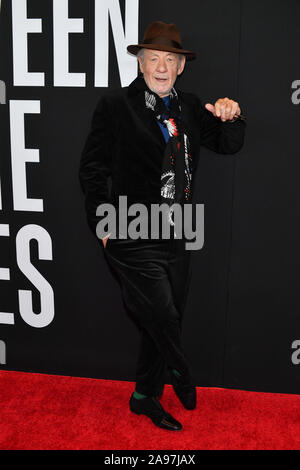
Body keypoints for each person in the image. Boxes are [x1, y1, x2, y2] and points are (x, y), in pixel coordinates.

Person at [79, 21, 246, 431]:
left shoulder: (190, 106)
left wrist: (232, 113)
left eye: (169, 60)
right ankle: (182, 373)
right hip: (130, 230)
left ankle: (143, 397)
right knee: (162, 314)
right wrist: (104, 224)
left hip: (179, 229)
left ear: (180, 67)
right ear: (139, 63)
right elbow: (92, 168)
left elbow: (228, 143)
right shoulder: (116, 107)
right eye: (153, 58)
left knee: (164, 317)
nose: (161, 67)